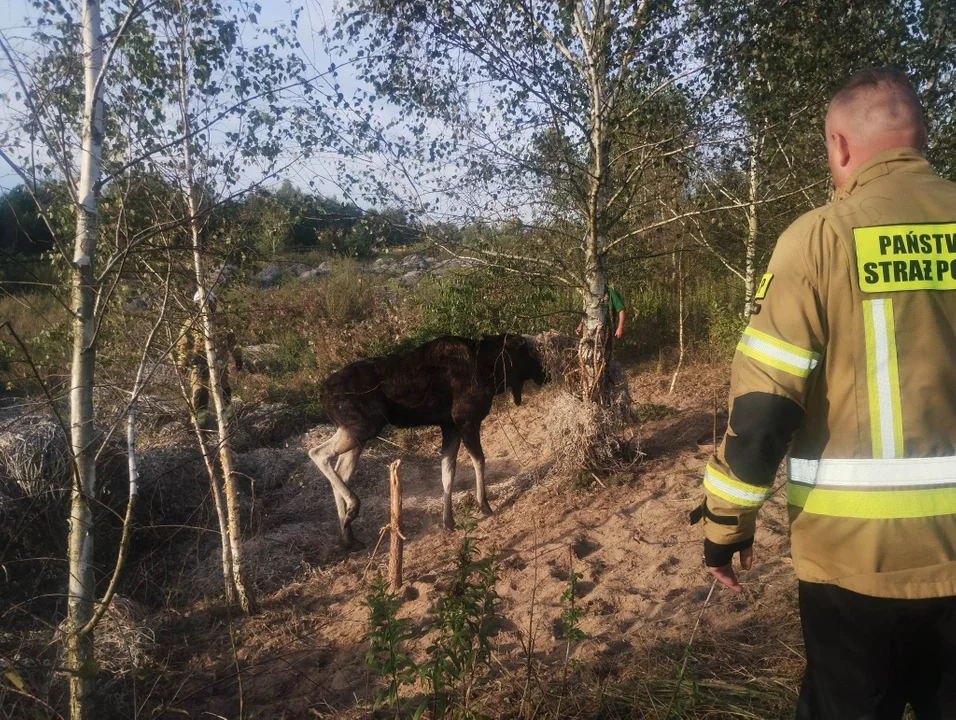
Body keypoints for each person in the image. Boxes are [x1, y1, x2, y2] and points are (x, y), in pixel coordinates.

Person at [691, 67, 956, 719]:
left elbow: (762, 414)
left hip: (852, 569)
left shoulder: (817, 241)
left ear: (839, 147)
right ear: (919, 137)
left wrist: (726, 526)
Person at [172, 290, 242, 431]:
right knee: (199, 395)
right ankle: (199, 425)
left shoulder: (221, 320)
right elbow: (182, 345)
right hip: (199, 365)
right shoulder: (191, 322)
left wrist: (238, 357)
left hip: (219, 364)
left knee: (224, 393)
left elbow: (233, 342)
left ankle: (227, 422)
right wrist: (182, 364)